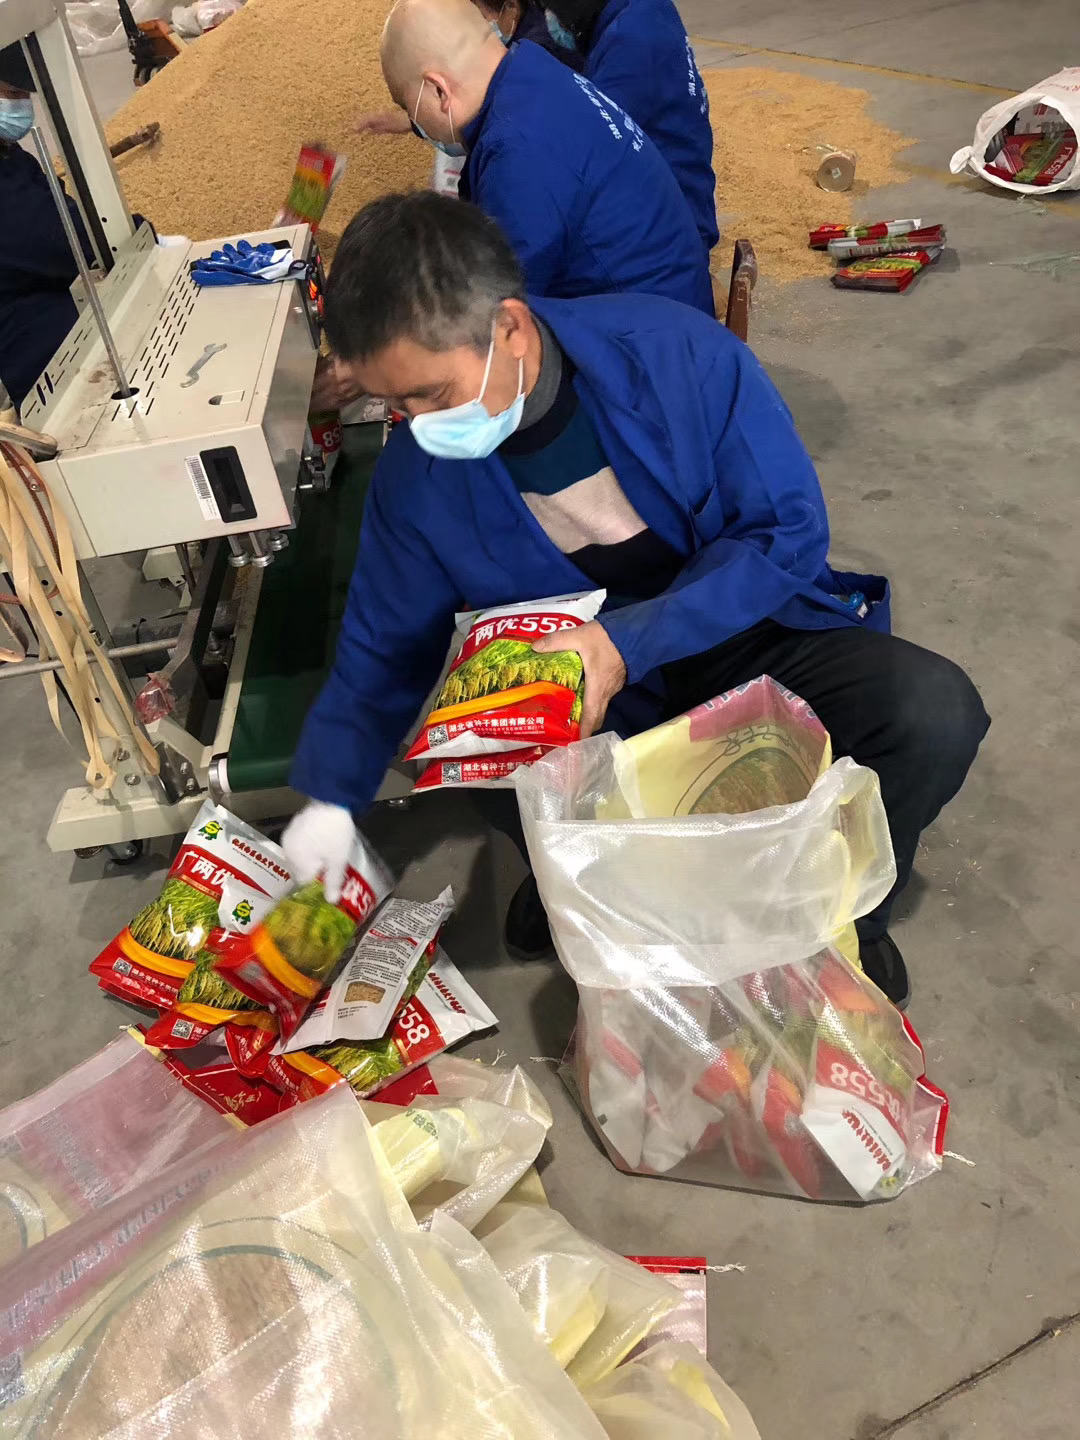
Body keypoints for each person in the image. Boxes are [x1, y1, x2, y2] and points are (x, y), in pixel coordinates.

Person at [282, 191, 989, 1010]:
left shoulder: (677, 356)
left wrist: (628, 642)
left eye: (434, 396)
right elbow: (382, 652)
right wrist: (332, 802)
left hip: (739, 633)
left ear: (511, 328)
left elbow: (786, 533)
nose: (418, 425)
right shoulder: (416, 479)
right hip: (583, 688)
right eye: (394, 404)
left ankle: (839, 914)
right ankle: (580, 889)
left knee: (931, 712)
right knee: (474, 755)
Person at [371, 0, 714, 315]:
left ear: (439, 90)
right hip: (662, 308)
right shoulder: (530, 67)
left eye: (408, 107)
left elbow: (498, 311)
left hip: (651, 343)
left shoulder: (518, 153)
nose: (414, 121)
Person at [0, 44, 96, 414]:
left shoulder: (10, 154)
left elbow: (60, 210)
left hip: (32, 293)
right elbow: (56, 241)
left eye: (24, 95)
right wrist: (126, 234)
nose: (21, 107)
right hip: (18, 326)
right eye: (12, 94)